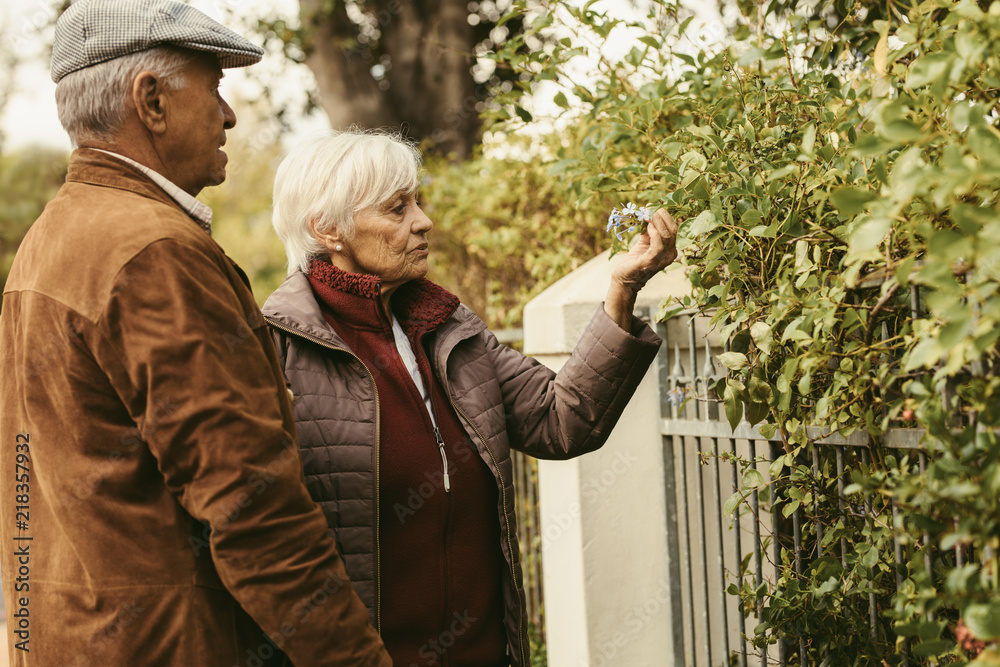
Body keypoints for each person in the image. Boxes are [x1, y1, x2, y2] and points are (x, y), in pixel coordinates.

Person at [0, 2, 390, 665]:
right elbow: (251, 508)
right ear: (150, 100)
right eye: (213, 87)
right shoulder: (155, 252)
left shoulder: (47, 241)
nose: (230, 114)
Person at [263, 129, 679, 667]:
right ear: (328, 229)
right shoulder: (275, 350)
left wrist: (623, 288)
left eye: (418, 201)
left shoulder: (447, 327)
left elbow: (565, 420)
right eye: (396, 208)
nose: (422, 220)